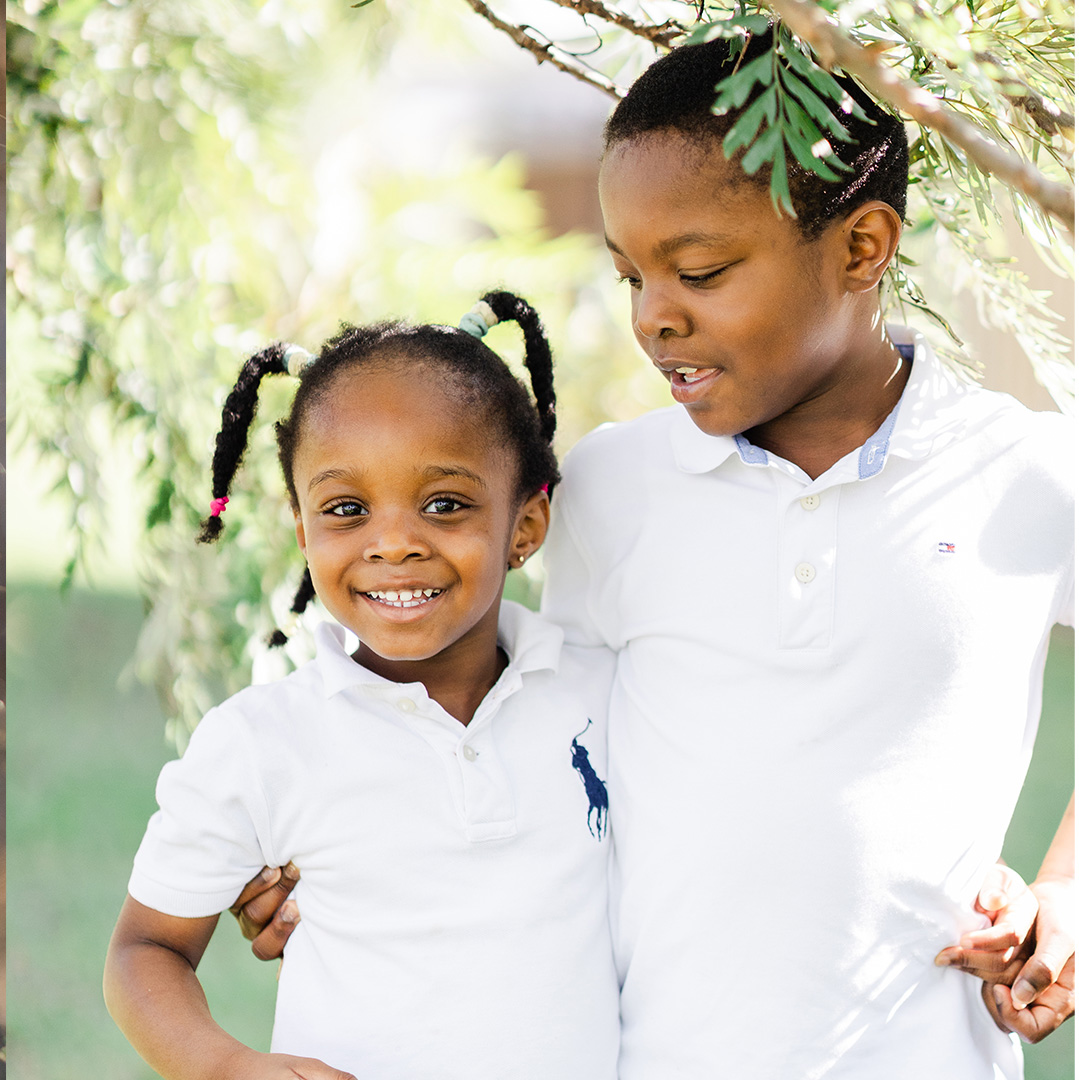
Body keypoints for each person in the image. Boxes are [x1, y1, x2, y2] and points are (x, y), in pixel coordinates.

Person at [230, 27, 1075, 1078]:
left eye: (699, 272)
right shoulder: (611, 491)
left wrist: (1061, 896)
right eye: (629, 276)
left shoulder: (1025, 474)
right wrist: (346, 851)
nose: (653, 319)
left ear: (861, 250)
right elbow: (520, 727)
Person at [103, 292, 621, 1080]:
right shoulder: (260, 742)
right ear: (302, 527)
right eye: (346, 508)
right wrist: (227, 1067)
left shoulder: (602, 696)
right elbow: (145, 950)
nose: (393, 544)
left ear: (525, 525)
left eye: (444, 504)